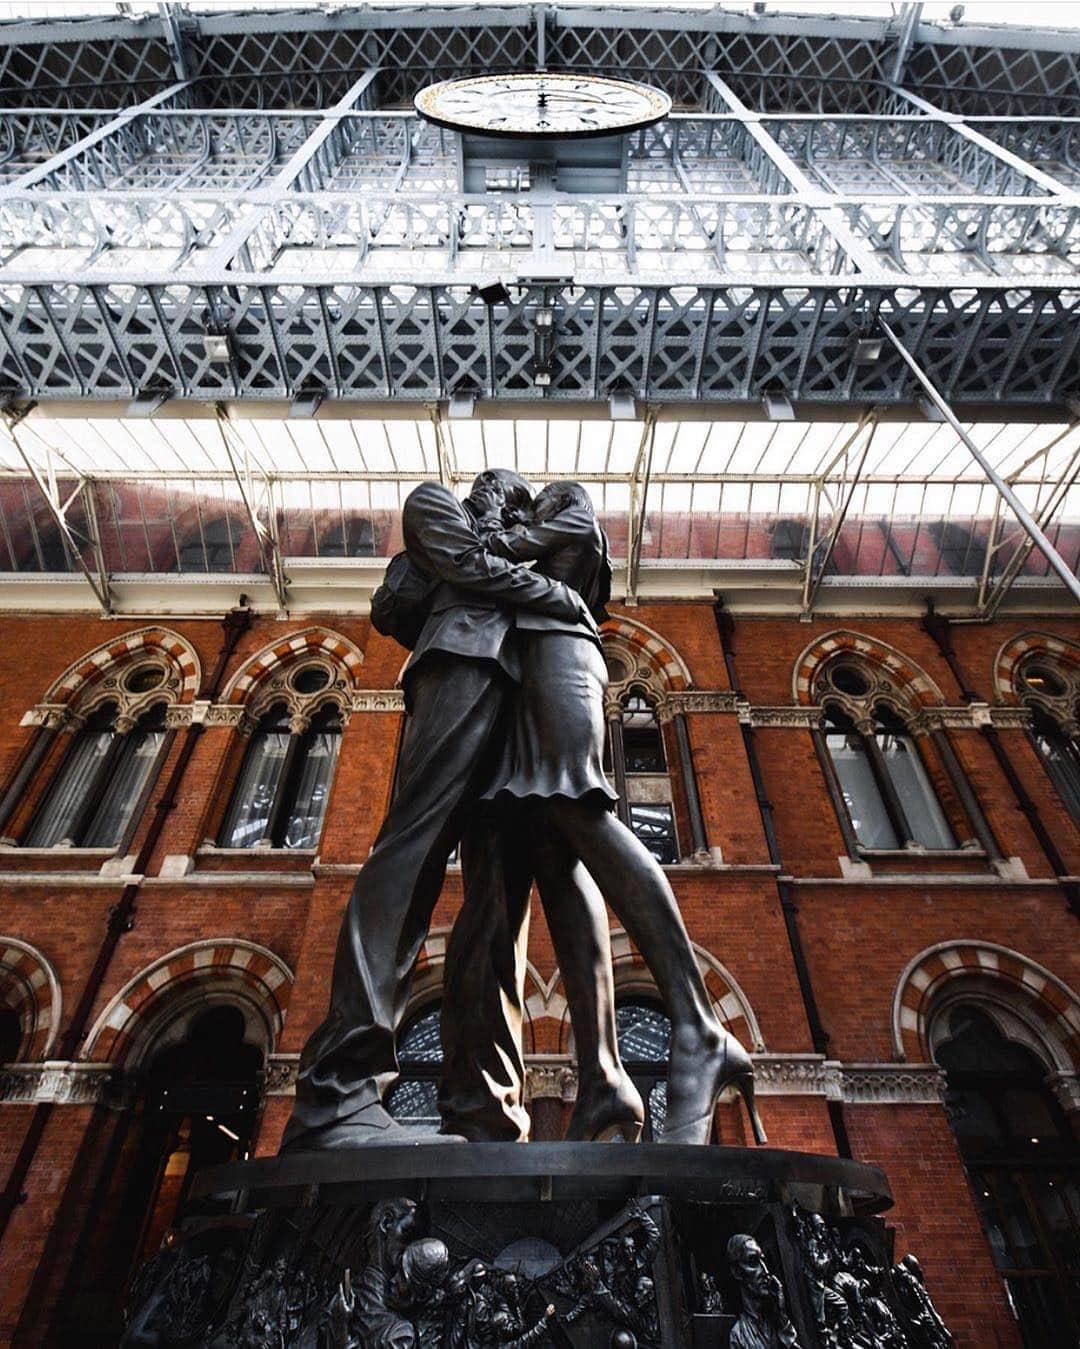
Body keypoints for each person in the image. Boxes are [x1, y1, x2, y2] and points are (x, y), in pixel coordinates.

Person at [441, 481, 765, 1147]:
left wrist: (473, 533)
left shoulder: (568, 513)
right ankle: (603, 1076)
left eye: (514, 499)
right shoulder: (548, 546)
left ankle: (699, 1025)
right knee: (556, 861)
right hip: (529, 675)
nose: (508, 507)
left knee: (576, 804)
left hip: (560, 658)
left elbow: (487, 554)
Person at [283, 470, 589, 1150]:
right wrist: (554, 594)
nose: (520, 522)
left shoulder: (513, 543)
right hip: (459, 662)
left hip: (517, 692)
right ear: (493, 495)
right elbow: (468, 565)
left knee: (499, 904)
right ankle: (338, 1090)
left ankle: (485, 1109)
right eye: (516, 505)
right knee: (411, 853)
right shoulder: (434, 504)